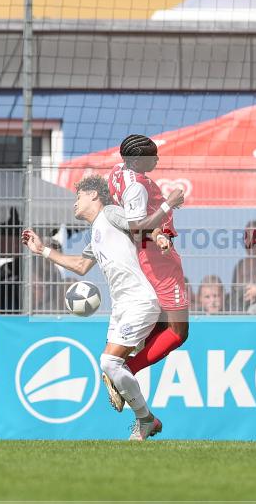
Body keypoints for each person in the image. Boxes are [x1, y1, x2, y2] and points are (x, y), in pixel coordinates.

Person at [21, 175, 162, 441]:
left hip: (139, 300)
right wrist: (42, 251)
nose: (74, 203)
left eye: (78, 197)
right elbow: (80, 266)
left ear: (94, 196)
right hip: (121, 307)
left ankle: (146, 420)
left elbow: (137, 226)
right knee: (111, 366)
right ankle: (132, 396)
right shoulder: (96, 233)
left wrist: (158, 234)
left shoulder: (110, 213)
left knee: (109, 363)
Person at [103, 134, 188, 410]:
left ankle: (123, 366)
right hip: (158, 259)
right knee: (178, 331)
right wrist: (168, 205)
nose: (157, 159)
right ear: (137, 160)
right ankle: (124, 370)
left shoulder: (117, 172)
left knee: (162, 324)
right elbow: (137, 226)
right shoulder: (137, 187)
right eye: (153, 157)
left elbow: (128, 218)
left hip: (149, 251)